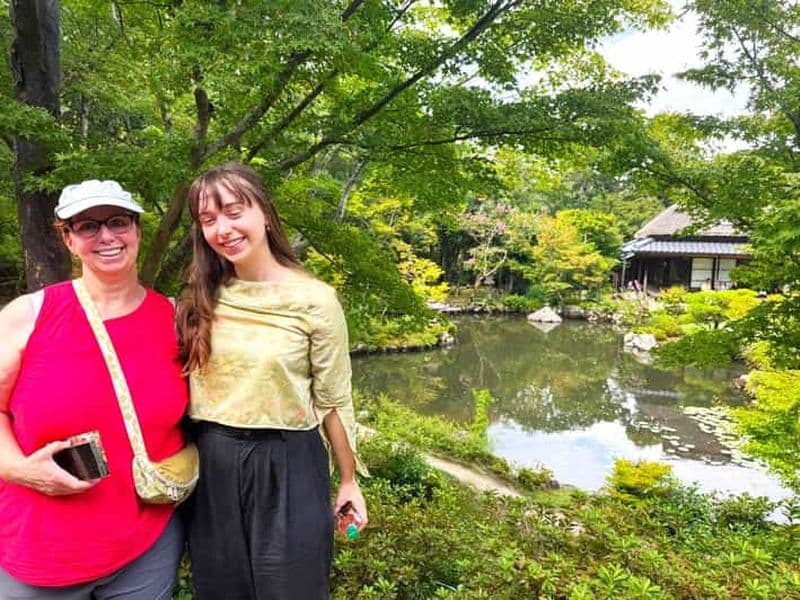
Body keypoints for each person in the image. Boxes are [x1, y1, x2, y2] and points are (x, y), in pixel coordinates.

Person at [176, 162, 368, 600]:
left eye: (234, 211)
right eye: (208, 219)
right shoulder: (201, 296)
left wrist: (349, 479)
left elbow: (334, 399)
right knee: (221, 590)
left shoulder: (314, 299)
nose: (222, 228)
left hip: (289, 462)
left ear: (264, 212)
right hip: (213, 461)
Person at [0, 180, 189, 599]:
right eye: (88, 226)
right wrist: (18, 469)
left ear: (137, 231)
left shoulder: (176, 319)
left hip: (146, 547)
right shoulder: (29, 316)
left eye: (118, 222)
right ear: (68, 239)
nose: (106, 236)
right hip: (41, 552)